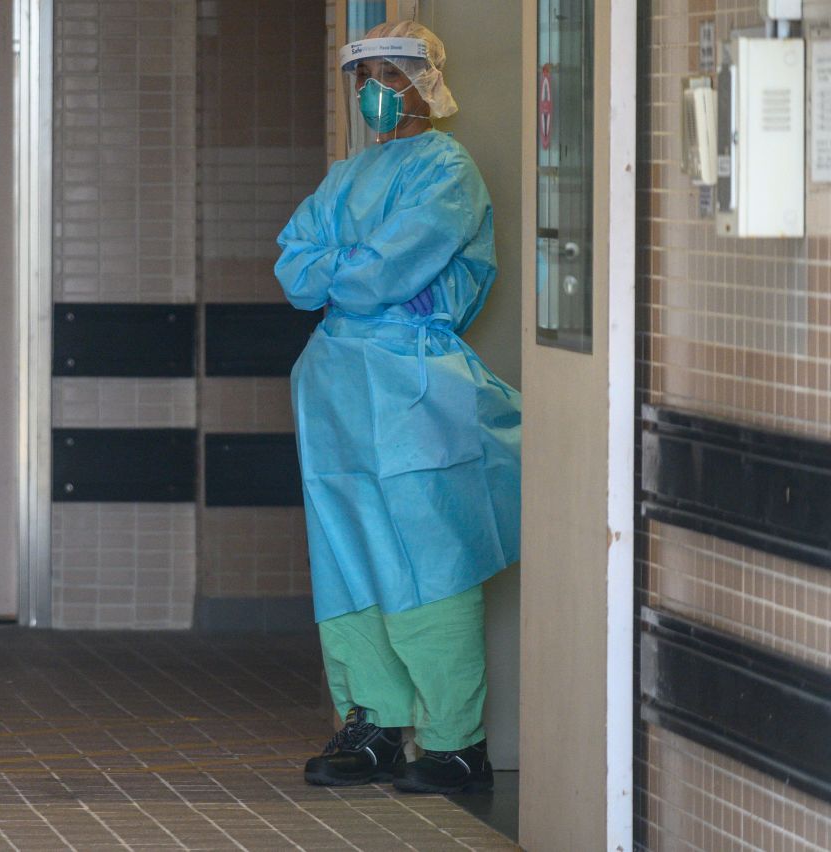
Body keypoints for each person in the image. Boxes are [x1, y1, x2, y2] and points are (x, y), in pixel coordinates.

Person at [274, 20, 521, 794]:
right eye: (362, 75)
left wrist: (340, 267)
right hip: (336, 386)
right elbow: (292, 267)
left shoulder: (448, 169)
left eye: (385, 72)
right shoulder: (347, 176)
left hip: (415, 379)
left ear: (424, 82)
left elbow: (378, 274)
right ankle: (373, 725)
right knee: (346, 557)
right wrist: (352, 270)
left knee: (429, 557)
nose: (370, 89)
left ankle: (455, 742)